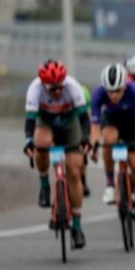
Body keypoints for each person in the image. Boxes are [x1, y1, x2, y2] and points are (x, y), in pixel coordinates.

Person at [24, 59, 90, 249]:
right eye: (52, 89)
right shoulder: (34, 89)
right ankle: (44, 185)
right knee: (40, 143)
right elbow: (30, 122)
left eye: (60, 87)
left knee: (74, 171)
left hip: (70, 125)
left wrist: (85, 139)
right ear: (43, 85)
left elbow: (84, 119)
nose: (58, 91)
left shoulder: (73, 87)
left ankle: (77, 226)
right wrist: (29, 141)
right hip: (47, 123)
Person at [89, 63, 135, 234]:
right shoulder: (98, 94)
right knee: (108, 140)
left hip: (132, 122)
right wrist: (93, 145)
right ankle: (110, 184)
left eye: (117, 91)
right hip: (111, 120)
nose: (113, 95)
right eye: (110, 91)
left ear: (124, 86)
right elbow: (95, 127)